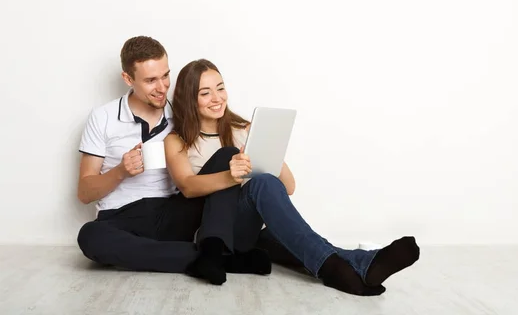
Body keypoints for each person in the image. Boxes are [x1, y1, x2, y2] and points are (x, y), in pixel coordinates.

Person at [164, 59, 421, 296]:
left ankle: (363, 263)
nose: (217, 98)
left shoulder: (242, 130)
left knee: (303, 241)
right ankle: (335, 270)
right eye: (205, 93)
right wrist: (231, 175)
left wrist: (268, 148)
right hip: (212, 233)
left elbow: (288, 186)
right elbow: (186, 187)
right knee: (263, 186)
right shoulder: (178, 141)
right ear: (190, 98)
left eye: (220, 88)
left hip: (250, 229)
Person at [76, 36, 272, 286]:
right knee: (90, 236)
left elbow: (220, 126)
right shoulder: (102, 117)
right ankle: (221, 259)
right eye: (150, 80)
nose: (161, 87)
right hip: (121, 217)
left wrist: (254, 137)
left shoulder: (181, 113)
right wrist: (120, 171)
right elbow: (84, 192)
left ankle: (209, 252)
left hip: (175, 213)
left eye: (165, 76)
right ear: (128, 79)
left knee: (225, 155)